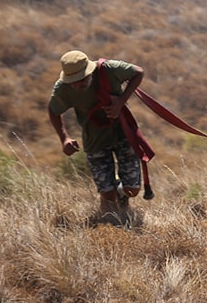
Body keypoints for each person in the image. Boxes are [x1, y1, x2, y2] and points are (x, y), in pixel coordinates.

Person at [48, 50, 146, 218]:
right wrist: (64, 138)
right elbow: (53, 110)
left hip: (123, 133)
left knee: (132, 190)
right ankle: (113, 223)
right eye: (73, 82)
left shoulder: (109, 69)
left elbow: (138, 73)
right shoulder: (63, 89)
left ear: (90, 72)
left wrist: (120, 101)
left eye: (81, 80)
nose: (78, 85)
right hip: (95, 140)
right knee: (107, 195)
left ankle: (121, 194)